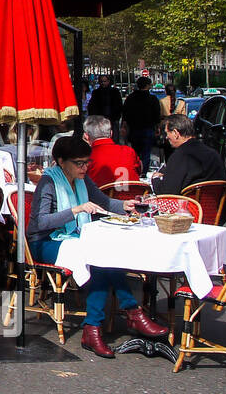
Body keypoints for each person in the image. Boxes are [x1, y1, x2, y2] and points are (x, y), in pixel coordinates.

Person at [27, 136, 168, 358]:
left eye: (87, 162)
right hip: (45, 241)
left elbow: (104, 202)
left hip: (72, 239)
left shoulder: (82, 179)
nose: (85, 167)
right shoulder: (48, 182)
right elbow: (39, 223)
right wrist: (75, 210)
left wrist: (124, 205)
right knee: (98, 257)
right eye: (79, 163)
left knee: (103, 257)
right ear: (61, 161)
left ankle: (94, 327)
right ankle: (129, 313)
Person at [152, 115, 226, 217]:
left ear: (175, 133)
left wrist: (156, 179)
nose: (166, 137)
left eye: (167, 133)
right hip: (216, 215)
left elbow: (167, 194)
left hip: (187, 217)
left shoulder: (181, 156)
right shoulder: (213, 154)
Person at [83, 114, 141, 187]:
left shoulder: (87, 157)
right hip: (134, 195)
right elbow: (138, 170)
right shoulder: (129, 151)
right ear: (111, 133)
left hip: (102, 197)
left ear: (86, 136)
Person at [121, 77, 162, 177]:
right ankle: (144, 172)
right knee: (146, 152)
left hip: (134, 129)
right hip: (148, 128)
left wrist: (124, 126)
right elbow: (157, 115)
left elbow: (125, 114)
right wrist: (158, 128)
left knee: (135, 152)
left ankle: (136, 169)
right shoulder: (152, 99)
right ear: (148, 86)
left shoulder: (130, 98)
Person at [158, 85, 188, 162]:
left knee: (168, 153)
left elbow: (159, 117)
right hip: (178, 130)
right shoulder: (181, 103)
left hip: (166, 130)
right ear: (175, 91)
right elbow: (184, 117)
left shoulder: (161, 102)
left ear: (165, 91)